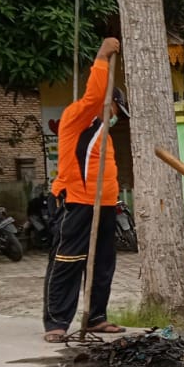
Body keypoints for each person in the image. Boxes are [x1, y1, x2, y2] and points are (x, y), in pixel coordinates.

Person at [42, 36, 129, 342]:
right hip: (76, 202)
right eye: (116, 109)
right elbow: (95, 95)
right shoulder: (77, 118)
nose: (117, 116)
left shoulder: (103, 134)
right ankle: (56, 321)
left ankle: (96, 317)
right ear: (109, 102)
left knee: (103, 263)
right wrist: (102, 56)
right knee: (68, 262)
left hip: (104, 205)